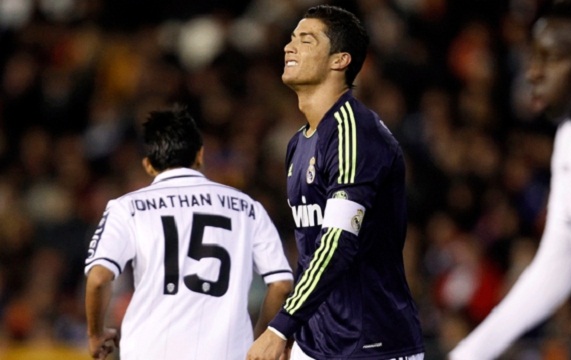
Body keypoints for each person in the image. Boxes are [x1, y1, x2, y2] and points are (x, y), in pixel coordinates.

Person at [450, 1, 571, 359]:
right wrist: (469, 352)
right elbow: (555, 266)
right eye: (533, 57)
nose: (533, 73)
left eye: (551, 59)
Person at [247, 5, 424, 360]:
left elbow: (340, 240)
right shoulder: (299, 142)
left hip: (372, 345)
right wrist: (295, 332)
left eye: (305, 39)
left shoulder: (354, 133)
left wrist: (281, 325)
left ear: (339, 60)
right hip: (316, 345)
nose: (288, 47)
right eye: (291, 38)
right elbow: (310, 250)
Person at [84, 107, 294, 360]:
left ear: (148, 165)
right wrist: (263, 337)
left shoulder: (127, 207)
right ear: (200, 155)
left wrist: (95, 335)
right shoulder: (247, 207)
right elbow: (281, 284)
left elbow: (98, 279)